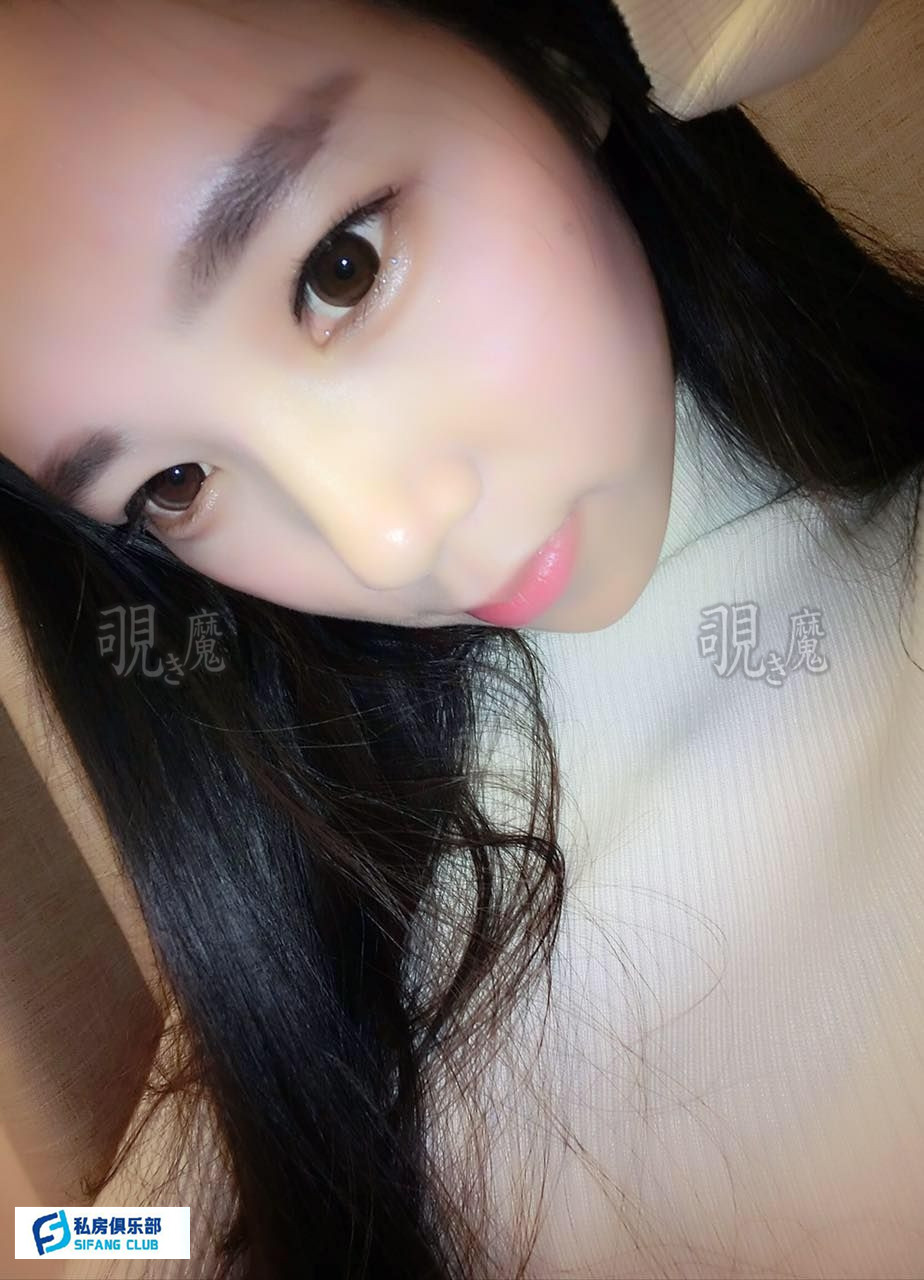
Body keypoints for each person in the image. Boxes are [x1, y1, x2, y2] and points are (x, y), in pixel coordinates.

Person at [0, 1, 921, 1277]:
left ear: (553, 53)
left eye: (342, 269)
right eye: (176, 483)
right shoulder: (333, 912)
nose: (381, 541)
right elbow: (118, 1235)